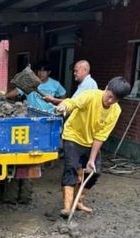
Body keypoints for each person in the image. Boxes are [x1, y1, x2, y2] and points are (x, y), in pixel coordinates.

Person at [55, 76, 131, 217]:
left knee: (94, 173)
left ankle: (78, 202)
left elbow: (101, 136)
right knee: (71, 168)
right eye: (110, 96)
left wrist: (91, 160)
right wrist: (64, 106)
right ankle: (67, 207)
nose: (110, 101)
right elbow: (73, 102)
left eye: (115, 99)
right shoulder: (91, 95)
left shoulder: (115, 111)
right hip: (73, 136)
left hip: (91, 142)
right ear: (107, 87)